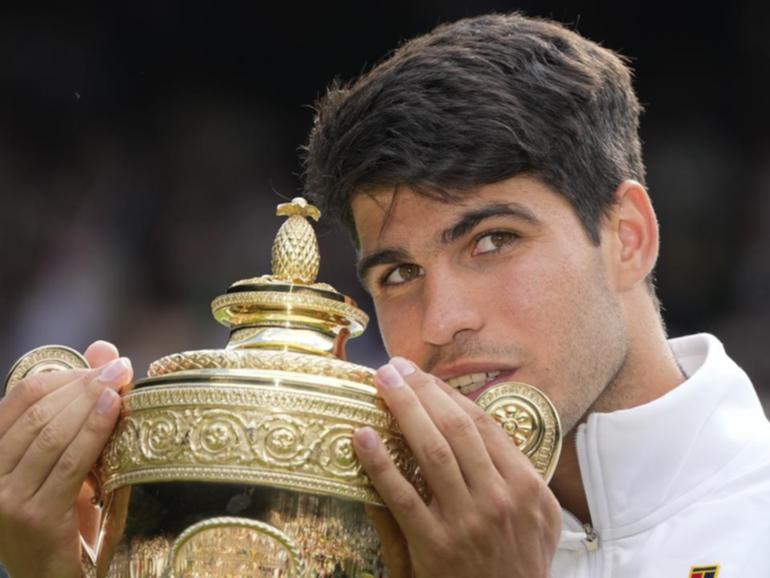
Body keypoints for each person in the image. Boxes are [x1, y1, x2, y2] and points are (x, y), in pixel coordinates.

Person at [1, 11, 768, 578]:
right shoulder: (324, 533)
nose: (440, 323)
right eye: (399, 274)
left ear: (628, 235)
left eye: (493, 240)